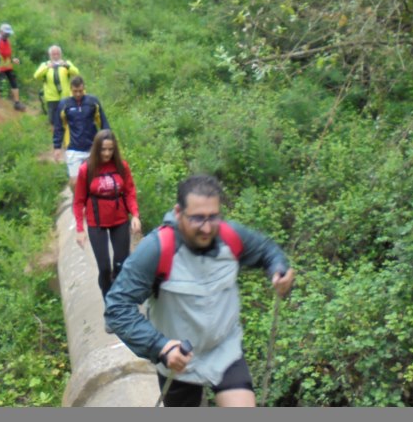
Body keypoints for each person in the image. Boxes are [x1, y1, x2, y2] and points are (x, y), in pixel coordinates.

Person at [104, 174, 295, 407]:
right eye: (197, 219)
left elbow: (266, 250)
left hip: (224, 349)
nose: (206, 228)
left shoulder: (230, 236)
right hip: (177, 359)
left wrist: (279, 269)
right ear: (178, 213)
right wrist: (160, 346)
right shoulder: (156, 249)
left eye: (213, 217)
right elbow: (117, 306)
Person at [74, 129, 141, 327]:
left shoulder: (121, 167)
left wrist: (135, 215)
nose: (107, 154)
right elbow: (78, 201)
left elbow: (129, 191)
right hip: (96, 223)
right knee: (104, 268)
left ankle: (122, 305)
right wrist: (79, 228)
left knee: (121, 265)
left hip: (119, 219)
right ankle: (110, 308)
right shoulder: (86, 170)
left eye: (110, 150)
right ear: (97, 149)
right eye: (103, 150)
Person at [53, 76, 110, 190]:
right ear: (71, 89)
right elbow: (59, 126)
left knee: (94, 179)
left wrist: (108, 140)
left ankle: (90, 203)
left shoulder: (92, 101)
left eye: (80, 91)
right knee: (74, 182)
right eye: (75, 91)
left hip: (92, 146)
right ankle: (77, 203)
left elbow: (103, 122)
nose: (78, 94)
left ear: (84, 88)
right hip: (73, 147)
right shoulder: (64, 104)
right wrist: (57, 147)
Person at [33, 45, 80, 128]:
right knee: (53, 121)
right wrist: (47, 67)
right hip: (51, 97)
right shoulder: (45, 64)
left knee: (67, 119)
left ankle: (67, 137)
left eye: (57, 54)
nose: (56, 56)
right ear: (50, 55)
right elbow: (36, 76)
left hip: (65, 96)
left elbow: (76, 73)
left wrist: (66, 66)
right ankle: (55, 138)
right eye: (53, 54)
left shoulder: (66, 63)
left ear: (61, 54)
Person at [0, 23, 25, 111]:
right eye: (6, 33)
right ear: (1, 32)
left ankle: (17, 103)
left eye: (8, 33)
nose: (7, 35)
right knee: (2, 84)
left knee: (13, 83)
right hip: (0, 66)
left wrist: (12, 59)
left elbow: (7, 54)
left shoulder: (7, 41)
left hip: (8, 65)